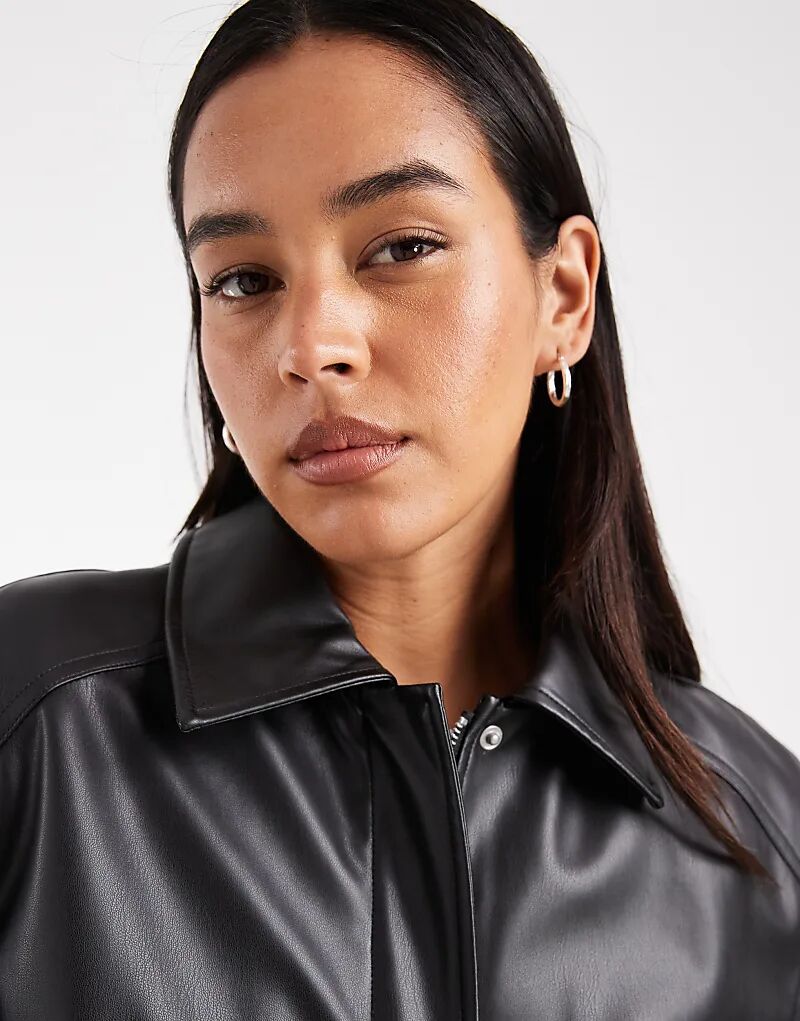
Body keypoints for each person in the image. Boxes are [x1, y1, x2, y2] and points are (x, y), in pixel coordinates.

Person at [1, 0, 798, 1017]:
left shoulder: (758, 842)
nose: (312, 346)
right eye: (243, 279)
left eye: (401, 247)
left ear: (563, 296)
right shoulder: (36, 723)